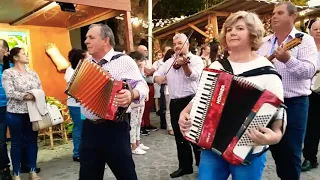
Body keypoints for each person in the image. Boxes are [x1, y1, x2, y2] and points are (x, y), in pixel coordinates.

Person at [179, 11, 286, 180]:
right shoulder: (216, 66)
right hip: (210, 144)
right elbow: (200, 96)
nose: (232, 32)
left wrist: (273, 137)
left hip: (247, 150)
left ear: (253, 34)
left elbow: (279, 120)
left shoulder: (268, 72)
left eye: (240, 28)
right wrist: (185, 112)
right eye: (228, 29)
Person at [257, 2, 318, 179]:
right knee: (272, 150)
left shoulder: (304, 40)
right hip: (267, 103)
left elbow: (309, 71)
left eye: (280, 12)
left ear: (293, 17)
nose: (274, 16)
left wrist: (288, 60)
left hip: (294, 103)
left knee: (290, 153)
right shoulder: (265, 42)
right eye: (273, 13)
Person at [79, 24, 149, 180]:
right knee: (87, 176)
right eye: (86, 38)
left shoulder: (124, 61)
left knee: (126, 175)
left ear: (106, 40)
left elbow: (142, 86)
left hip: (115, 129)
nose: (86, 41)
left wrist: (131, 94)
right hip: (90, 128)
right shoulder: (86, 64)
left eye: (91, 37)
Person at [153, 33, 203, 178]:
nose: (177, 46)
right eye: (175, 44)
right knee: (179, 137)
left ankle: (202, 166)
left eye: (180, 43)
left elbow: (193, 76)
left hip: (191, 102)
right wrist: (159, 79)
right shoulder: (169, 62)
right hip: (175, 102)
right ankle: (185, 166)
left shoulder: (196, 60)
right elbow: (157, 74)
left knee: (194, 136)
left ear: (187, 44)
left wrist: (185, 65)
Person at [2, 47, 42, 180]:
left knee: (32, 142)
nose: (27, 56)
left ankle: (32, 171)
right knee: (16, 143)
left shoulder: (33, 73)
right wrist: (28, 96)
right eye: (24, 54)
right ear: (16, 58)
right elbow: (10, 93)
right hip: (15, 113)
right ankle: (16, 174)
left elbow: (40, 89)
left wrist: (36, 95)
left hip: (32, 112)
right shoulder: (8, 73)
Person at [302, 20, 320, 172]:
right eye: (316, 28)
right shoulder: (305, 48)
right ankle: (309, 158)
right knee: (312, 127)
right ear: (310, 30)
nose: (318, 31)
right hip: (311, 92)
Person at [64, 48, 89, 162]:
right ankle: (77, 152)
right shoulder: (71, 70)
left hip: (83, 105)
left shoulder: (83, 68)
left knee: (84, 127)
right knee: (79, 128)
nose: (88, 58)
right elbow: (73, 88)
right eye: (86, 56)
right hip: (76, 105)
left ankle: (84, 150)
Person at [128, 51, 150, 155]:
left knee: (138, 122)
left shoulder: (138, 71)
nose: (143, 63)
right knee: (134, 122)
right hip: (134, 100)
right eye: (141, 61)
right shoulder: (131, 72)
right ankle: (133, 145)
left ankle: (137, 141)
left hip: (140, 100)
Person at [138, 45, 158, 134]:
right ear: (139, 51)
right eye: (144, 50)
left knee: (148, 106)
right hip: (143, 85)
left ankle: (147, 123)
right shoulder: (138, 61)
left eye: (147, 50)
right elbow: (149, 71)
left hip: (150, 84)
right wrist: (150, 71)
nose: (146, 52)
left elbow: (150, 71)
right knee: (143, 106)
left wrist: (150, 71)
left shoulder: (148, 61)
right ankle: (141, 125)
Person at [0, 39, 11, 180]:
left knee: (21, 137)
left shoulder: (13, 65)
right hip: (0, 108)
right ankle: (4, 168)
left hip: (15, 107)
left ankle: (25, 164)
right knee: (1, 141)